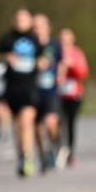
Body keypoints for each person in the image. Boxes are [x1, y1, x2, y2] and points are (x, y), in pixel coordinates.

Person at [0, 9, 43, 178]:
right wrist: (5, 58)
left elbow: (46, 58)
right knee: (17, 126)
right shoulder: (6, 39)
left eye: (24, 19)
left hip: (30, 87)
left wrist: (41, 62)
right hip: (11, 87)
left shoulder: (36, 39)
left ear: (30, 21)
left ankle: (28, 156)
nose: (21, 22)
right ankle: (22, 155)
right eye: (18, 19)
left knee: (26, 122)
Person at [32, 14, 61, 173]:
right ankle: (43, 155)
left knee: (51, 123)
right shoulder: (29, 45)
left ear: (47, 27)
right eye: (34, 26)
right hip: (34, 91)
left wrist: (60, 73)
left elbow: (61, 62)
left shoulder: (55, 45)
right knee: (37, 128)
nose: (37, 29)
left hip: (51, 90)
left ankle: (54, 146)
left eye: (40, 26)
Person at [56, 27, 89, 169]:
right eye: (62, 39)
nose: (65, 41)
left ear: (72, 39)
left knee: (70, 123)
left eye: (67, 38)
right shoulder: (55, 53)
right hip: (57, 94)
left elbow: (83, 73)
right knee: (57, 122)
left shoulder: (77, 53)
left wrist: (72, 66)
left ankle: (70, 152)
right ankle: (58, 149)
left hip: (73, 93)